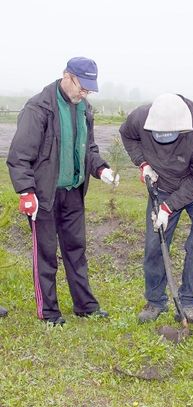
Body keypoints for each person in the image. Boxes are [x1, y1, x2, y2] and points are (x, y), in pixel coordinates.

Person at [7, 57, 117, 326]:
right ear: (67, 76)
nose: (84, 93)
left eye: (89, 89)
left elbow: (87, 148)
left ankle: (85, 305)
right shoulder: (39, 108)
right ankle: (49, 312)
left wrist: (100, 169)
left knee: (76, 250)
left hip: (73, 192)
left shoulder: (84, 109)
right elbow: (19, 155)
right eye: (82, 86)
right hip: (43, 195)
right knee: (46, 254)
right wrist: (26, 191)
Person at [120, 93, 193, 324]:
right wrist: (143, 163)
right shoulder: (141, 118)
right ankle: (155, 302)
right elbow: (127, 136)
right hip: (162, 184)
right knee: (155, 242)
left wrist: (167, 207)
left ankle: (188, 303)